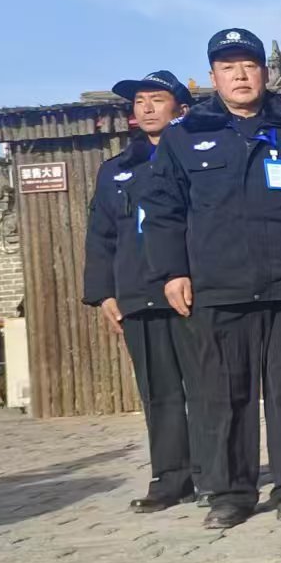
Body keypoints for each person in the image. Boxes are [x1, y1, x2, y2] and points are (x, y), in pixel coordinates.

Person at [140, 28, 281, 528]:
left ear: (265, 73)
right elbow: (162, 209)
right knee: (223, 394)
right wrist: (172, 271)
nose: (240, 76)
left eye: (249, 66)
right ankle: (230, 493)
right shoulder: (183, 136)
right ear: (213, 77)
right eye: (228, 67)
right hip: (218, 287)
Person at [83, 70, 201, 512]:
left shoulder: (200, 159)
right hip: (138, 293)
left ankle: (212, 471)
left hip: (192, 291)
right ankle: (170, 477)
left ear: (181, 108)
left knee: (206, 387)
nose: (147, 108)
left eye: (157, 99)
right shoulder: (115, 170)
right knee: (159, 391)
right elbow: (101, 235)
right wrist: (104, 293)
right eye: (139, 102)